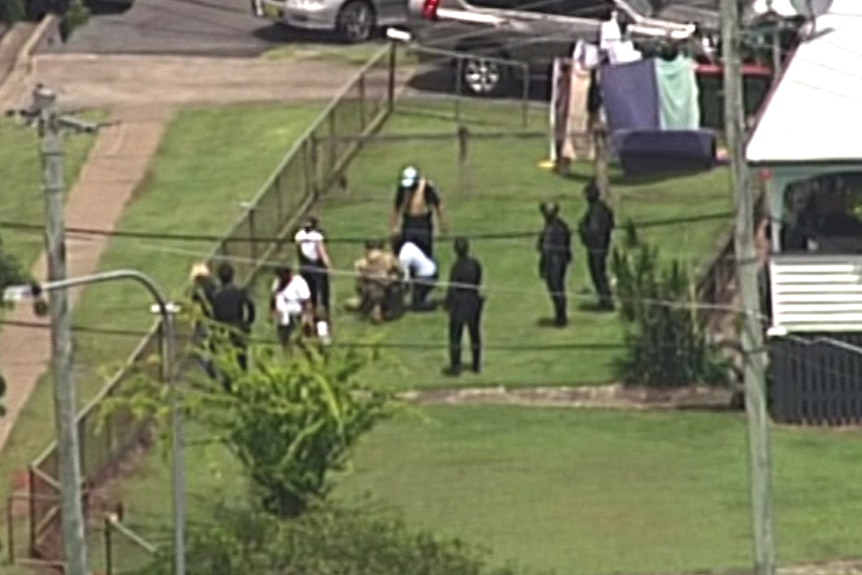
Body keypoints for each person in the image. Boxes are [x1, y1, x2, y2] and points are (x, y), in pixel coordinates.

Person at [443, 238, 483, 376]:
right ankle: (476, 364)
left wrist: (448, 303)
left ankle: (456, 366)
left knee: (455, 336)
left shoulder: (456, 267)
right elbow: (478, 282)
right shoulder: (475, 264)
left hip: (459, 303)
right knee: (475, 333)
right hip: (473, 301)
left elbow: (452, 286)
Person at [389, 165, 446, 258]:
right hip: (408, 222)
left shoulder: (426, 187)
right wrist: (394, 227)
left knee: (425, 251)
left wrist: (442, 222)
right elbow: (396, 207)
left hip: (423, 222)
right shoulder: (403, 189)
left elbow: (438, 205)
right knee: (408, 249)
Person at [211, 262, 257, 375]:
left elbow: (213, 313)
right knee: (241, 355)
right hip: (238, 326)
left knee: (226, 355)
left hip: (223, 328)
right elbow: (250, 306)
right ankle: (244, 374)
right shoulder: (239, 292)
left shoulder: (216, 296)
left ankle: (228, 377)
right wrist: (248, 322)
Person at [578, 179, 615, 311]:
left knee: (598, 273)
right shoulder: (602, 208)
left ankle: (606, 300)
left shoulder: (596, 210)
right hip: (601, 246)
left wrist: (582, 228)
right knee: (599, 273)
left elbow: (594, 231)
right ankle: (604, 299)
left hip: (597, 248)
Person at [352, 239, 405, 323]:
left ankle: (374, 307)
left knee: (368, 286)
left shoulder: (361, 262)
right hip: (389, 286)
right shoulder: (389, 258)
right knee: (395, 284)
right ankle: (387, 308)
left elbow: (359, 279)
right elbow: (401, 272)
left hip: (370, 288)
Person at [538, 202, 573, 327]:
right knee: (554, 289)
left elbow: (561, 247)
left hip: (556, 262)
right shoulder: (549, 226)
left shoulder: (559, 227)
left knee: (557, 288)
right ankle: (559, 314)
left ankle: (561, 316)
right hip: (551, 261)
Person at [294, 216, 332, 315]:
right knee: (322, 287)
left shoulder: (299, 235)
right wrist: (328, 265)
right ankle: (325, 307)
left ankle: (311, 308)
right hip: (317, 264)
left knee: (309, 289)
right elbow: (321, 251)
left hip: (304, 265)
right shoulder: (317, 236)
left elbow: (299, 250)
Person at [271, 266, 312, 349]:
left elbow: (306, 301)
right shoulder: (277, 282)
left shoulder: (299, 282)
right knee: (284, 340)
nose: (281, 278)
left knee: (295, 338)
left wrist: (307, 317)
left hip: (295, 315)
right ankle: (287, 357)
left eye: (282, 275)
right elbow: (273, 297)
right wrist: (272, 312)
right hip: (282, 316)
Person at [395, 234, 438, 311]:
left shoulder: (403, 257)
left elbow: (406, 278)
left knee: (416, 304)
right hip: (433, 269)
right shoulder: (408, 245)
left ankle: (429, 304)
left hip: (426, 276)